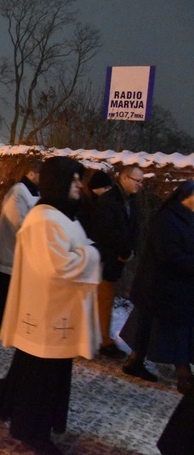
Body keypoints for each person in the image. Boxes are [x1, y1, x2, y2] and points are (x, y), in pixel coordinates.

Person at [0, 156, 101, 454]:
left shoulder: (59, 216)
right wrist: (92, 255)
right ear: (58, 182)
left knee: (38, 372)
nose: (78, 185)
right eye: (72, 179)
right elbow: (57, 266)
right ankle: (31, 430)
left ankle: (5, 399)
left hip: (55, 312)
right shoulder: (44, 219)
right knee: (40, 378)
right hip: (47, 315)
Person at [119, 181, 194, 393]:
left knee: (146, 325)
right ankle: (184, 376)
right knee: (177, 330)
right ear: (185, 197)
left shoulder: (188, 218)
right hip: (161, 286)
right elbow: (168, 256)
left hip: (174, 286)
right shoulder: (166, 218)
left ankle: (135, 361)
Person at [90, 165, 144, 359]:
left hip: (117, 260)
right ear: (124, 178)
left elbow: (135, 229)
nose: (140, 184)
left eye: (141, 181)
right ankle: (103, 340)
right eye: (137, 180)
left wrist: (132, 251)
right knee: (103, 299)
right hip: (106, 259)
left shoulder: (131, 201)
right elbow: (107, 231)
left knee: (106, 298)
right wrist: (123, 251)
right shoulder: (109, 201)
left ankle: (103, 337)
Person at [0, 158, 41, 331]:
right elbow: (18, 220)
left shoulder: (34, 192)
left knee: (11, 287)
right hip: (12, 248)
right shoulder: (18, 191)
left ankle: (7, 319)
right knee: (4, 286)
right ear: (31, 174)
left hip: (24, 248)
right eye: (40, 175)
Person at [76, 170, 113, 234]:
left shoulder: (103, 200)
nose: (109, 191)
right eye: (106, 188)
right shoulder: (83, 202)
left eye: (110, 188)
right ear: (96, 187)